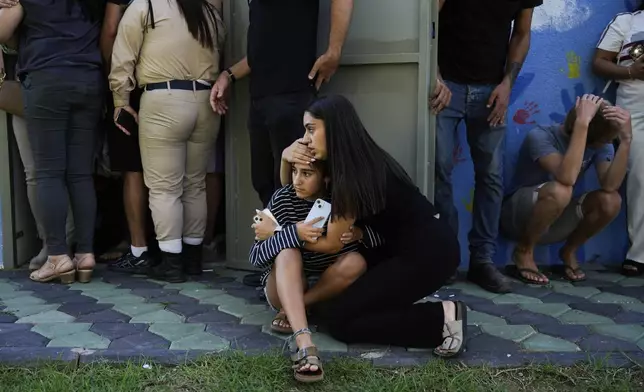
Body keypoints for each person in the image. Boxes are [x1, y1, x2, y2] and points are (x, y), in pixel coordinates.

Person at [282, 95, 465, 362]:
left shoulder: (354, 174)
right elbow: (290, 191)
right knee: (341, 307)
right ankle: (312, 306)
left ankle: (444, 316)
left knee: (341, 322)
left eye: (311, 129)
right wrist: (287, 157)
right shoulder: (352, 162)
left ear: (334, 128)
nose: (305, 139)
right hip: (397, 249)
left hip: (429, 254)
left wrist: (282, 238)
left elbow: (332, 243)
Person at [110, 0, 225, 283]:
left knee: (164, 187)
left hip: (163, 100)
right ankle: (193, 259)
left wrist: (120, 100)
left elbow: (123, 56)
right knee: (195, 183)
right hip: (206, 102)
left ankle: (171, 263)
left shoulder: (145, 5)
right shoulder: (209, 12)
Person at [432, 0, 542, 293]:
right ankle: (446, 258)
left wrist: (508, 84)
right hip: (445, 88)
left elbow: (521, 33)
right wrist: (433, 73)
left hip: (492, 90)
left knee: (491, 176)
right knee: (438, 169)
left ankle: (483, 261)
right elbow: (428, 19)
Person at [209, 0, 354, 207]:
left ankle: (302, 239)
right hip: (259, 99)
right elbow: (261, 50)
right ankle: (277, 238)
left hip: (291, 96)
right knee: (264, 184)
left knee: (297, 189)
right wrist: (228, 75)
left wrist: (334, 51)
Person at [0, 0, 104, 283]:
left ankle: (57, 257)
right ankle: (85, 254)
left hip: (47, 80)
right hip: (89, 80)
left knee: (48, 172)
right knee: (81, 174)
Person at [249, 160, 381, 382]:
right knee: (287, 252)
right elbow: (256, 256)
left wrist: (360, 234)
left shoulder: (343, 199)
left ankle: (302, 305)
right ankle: (304, 340)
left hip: (327, 286)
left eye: (307, 173)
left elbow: (380, 241)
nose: (296, 180)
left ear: (326, 177)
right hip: (283, 287)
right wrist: (292, 233)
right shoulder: (283, 198)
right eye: (294, 171)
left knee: (356, 262)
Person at [501, 95, 628, 283]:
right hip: (517, 217)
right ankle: (524, 251)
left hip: (557, 220)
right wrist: (582, 125)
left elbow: (610, 185)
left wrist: (626, 140)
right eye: (604, 140)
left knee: (611, 200)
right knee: (561, 190)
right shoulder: (541, 136)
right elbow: (567, 177)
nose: (607, 144)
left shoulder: (600, 144)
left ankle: (569, 251)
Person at [100, 0, 153, 273]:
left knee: (133, 168)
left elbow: (110, 29)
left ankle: (138, 247)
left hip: (129, 85)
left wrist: (113, 80)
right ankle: (175, 248)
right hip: (166, 81)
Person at [593, 5, 644, 276]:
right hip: (635, 113)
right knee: (640, 178)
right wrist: (632, 72)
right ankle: (639, 255)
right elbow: (599, 62)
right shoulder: (627, 22)